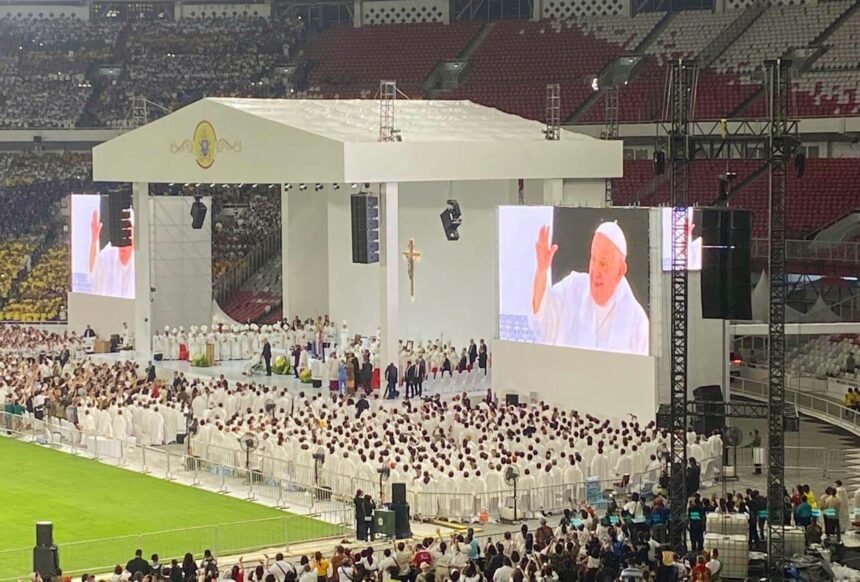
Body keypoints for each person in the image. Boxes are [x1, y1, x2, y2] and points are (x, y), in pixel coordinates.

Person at [530, 221, 649, 355]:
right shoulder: (572, 288)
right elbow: (544, 321)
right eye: (593, 259)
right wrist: (541, 272)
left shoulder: (637, 321)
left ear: (620, 270)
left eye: (603, 264)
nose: (595, 271)